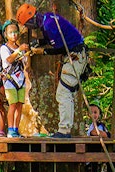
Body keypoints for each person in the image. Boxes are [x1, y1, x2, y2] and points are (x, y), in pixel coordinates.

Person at [15, 3, 86, 138]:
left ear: (31, 21)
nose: (29, 28)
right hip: (74, 54)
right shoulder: (48, 19)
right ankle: (65, 128)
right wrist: (37, 44)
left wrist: (43, 51)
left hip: (75, 56)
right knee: (65, 93)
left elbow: (61, 48)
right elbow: (50, 39)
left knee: (63, 93)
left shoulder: (49, 25)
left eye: (27, 25)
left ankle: (65, 131)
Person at [0, 20, 30, 138]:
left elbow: (26, 64)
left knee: (19, 105)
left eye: (16, 32)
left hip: (20, 79)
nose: (14, 35)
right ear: (6, 34)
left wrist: (26, 53)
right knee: (12, 104)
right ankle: (10, 129)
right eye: (11, 32)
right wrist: (19, 50)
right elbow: (9, 60)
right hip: (9, 80)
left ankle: (16, 129)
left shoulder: (20, 48)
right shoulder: (4, 48)